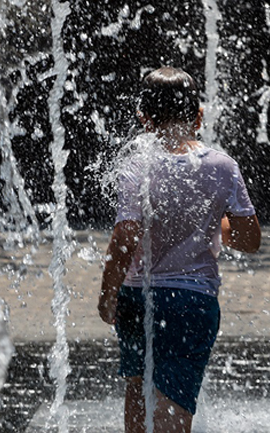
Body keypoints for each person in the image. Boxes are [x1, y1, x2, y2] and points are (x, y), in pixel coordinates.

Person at [97, 66, 261, 433]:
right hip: (191, 303)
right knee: (174, 404)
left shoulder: (136, 163)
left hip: (137, 298)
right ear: (199, 115)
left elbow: (126, 235)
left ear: (145, 119)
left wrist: (107, 295)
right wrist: (208, 221)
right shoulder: (222, 167)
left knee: (138, 388)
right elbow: (250, 240)